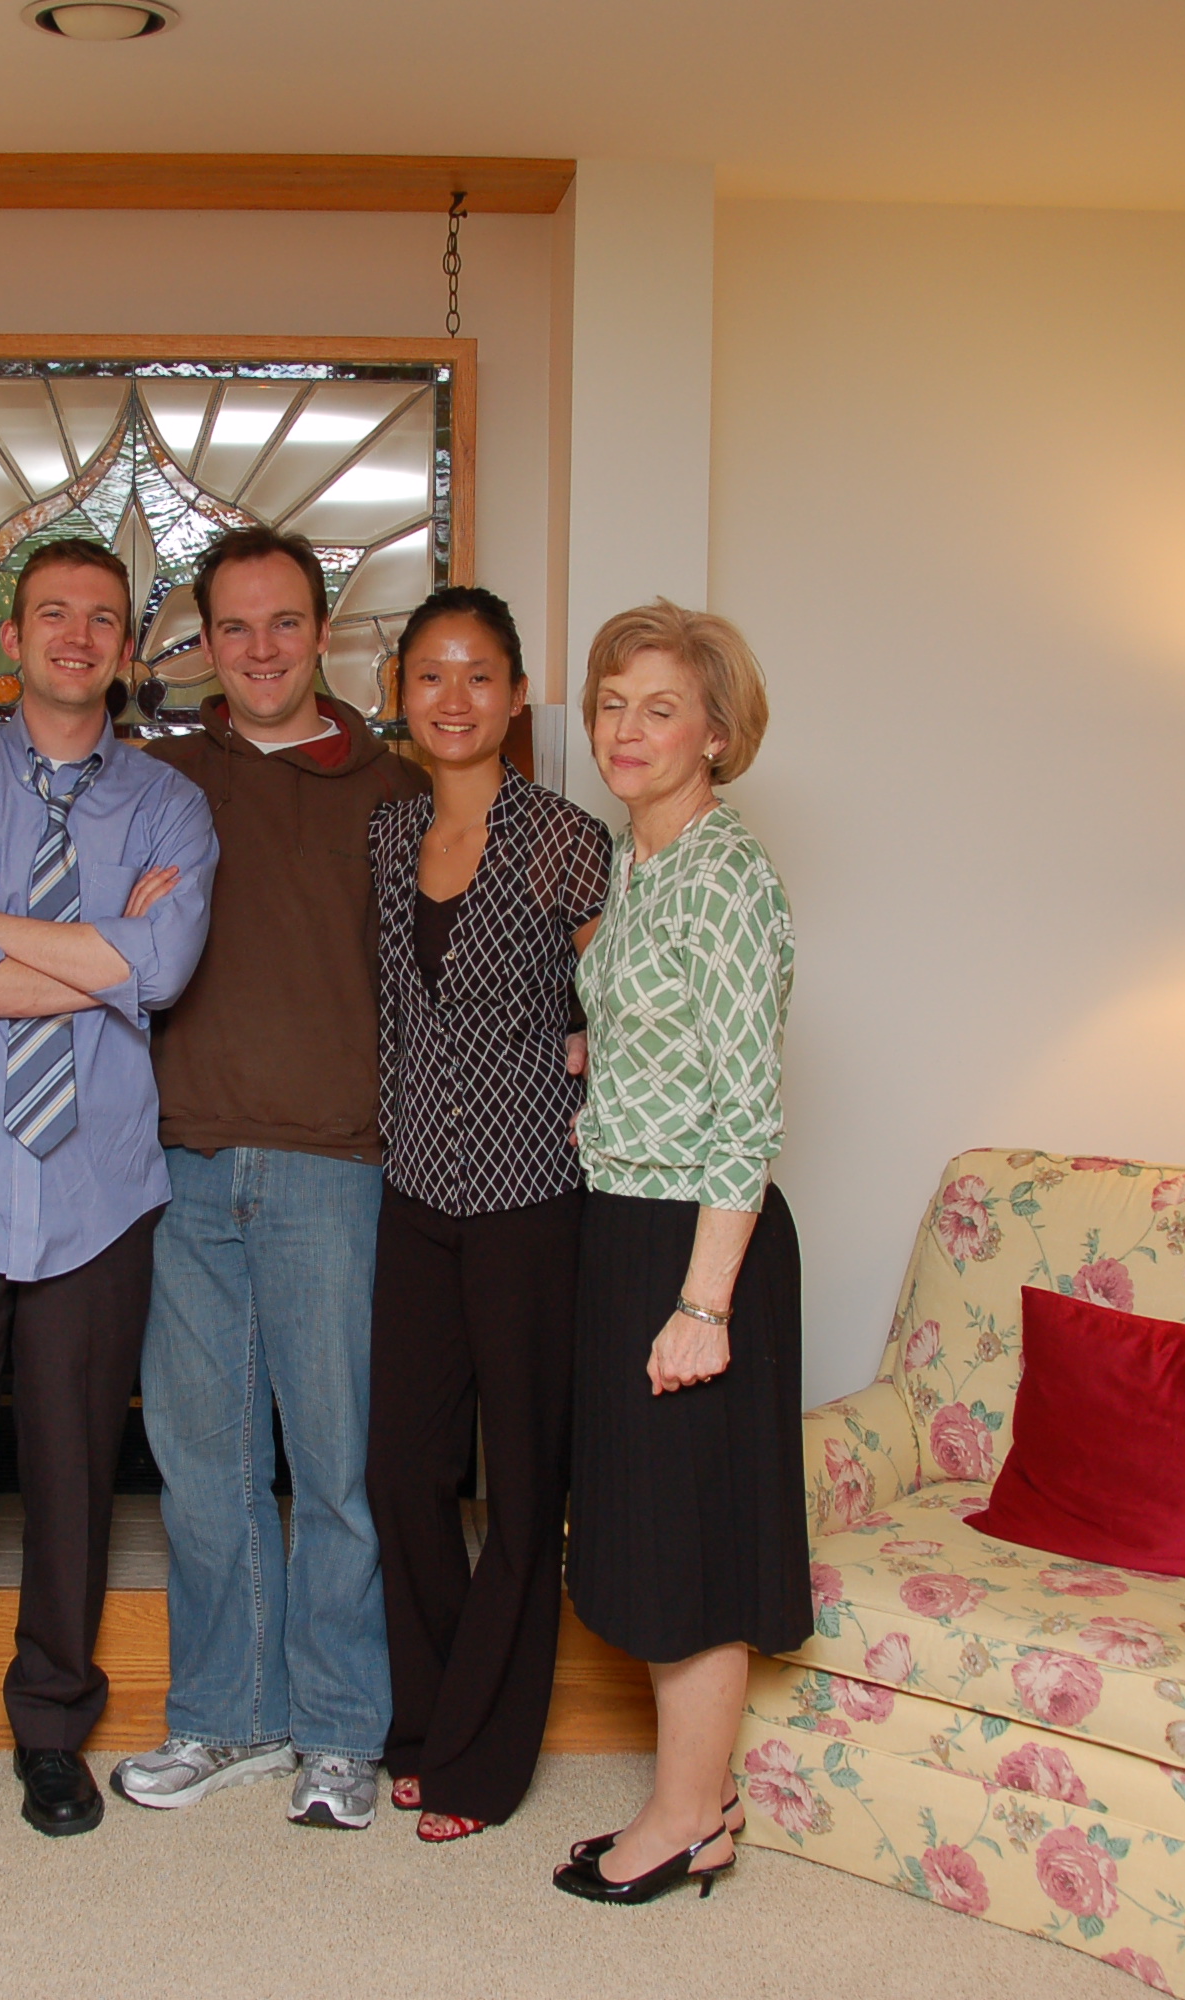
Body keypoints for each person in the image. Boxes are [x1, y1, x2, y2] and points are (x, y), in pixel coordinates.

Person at [0, 537, 218, 1840]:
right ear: (11, 639)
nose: (78, 636)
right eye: (54, 614)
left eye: (104, 618)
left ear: (126, 650)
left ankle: (54, 1730)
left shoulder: (171, 805)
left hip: (99, 1186)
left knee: (74, 1473)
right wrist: (100, 953)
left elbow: (164, 971)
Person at [109, 527, 427, 1832]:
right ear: (203, 644)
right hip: (181, 1165)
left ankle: (341, 1733)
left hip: (333, 1171)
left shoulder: (395, 790)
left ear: (323, 631)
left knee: (336, 1471)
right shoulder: (159, 784)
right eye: (232, 627)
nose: (258, 649)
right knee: (204, 1469)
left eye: (283, 622)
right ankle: (227, 1712)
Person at [551, 599, 805, 1906]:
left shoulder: (724, 877)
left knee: (686, 1544)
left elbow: (746, 1110)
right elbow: (667, 1034)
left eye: (660, 708)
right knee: (647, 1528)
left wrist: (702, 1306)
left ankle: (688, 1817)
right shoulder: (636, 861)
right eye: (612, 704)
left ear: (715, 730)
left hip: (698, 1244)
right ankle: (695, 1799)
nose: (627, 729)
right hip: (627, 1218)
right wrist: (594, 1064)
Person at [364, 587, 611, 1843]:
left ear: (515, 697)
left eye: (477, 676)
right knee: (399, 1474)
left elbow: (632, 999)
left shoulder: (566, 839)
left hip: (529, 1203)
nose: (451, 698)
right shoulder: (384, 833)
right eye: (428, 675)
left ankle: (479, 1756)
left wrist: (592, 1059)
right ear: (398, 695)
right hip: (414, 1190)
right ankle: (430, 1718)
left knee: (520, 1487)